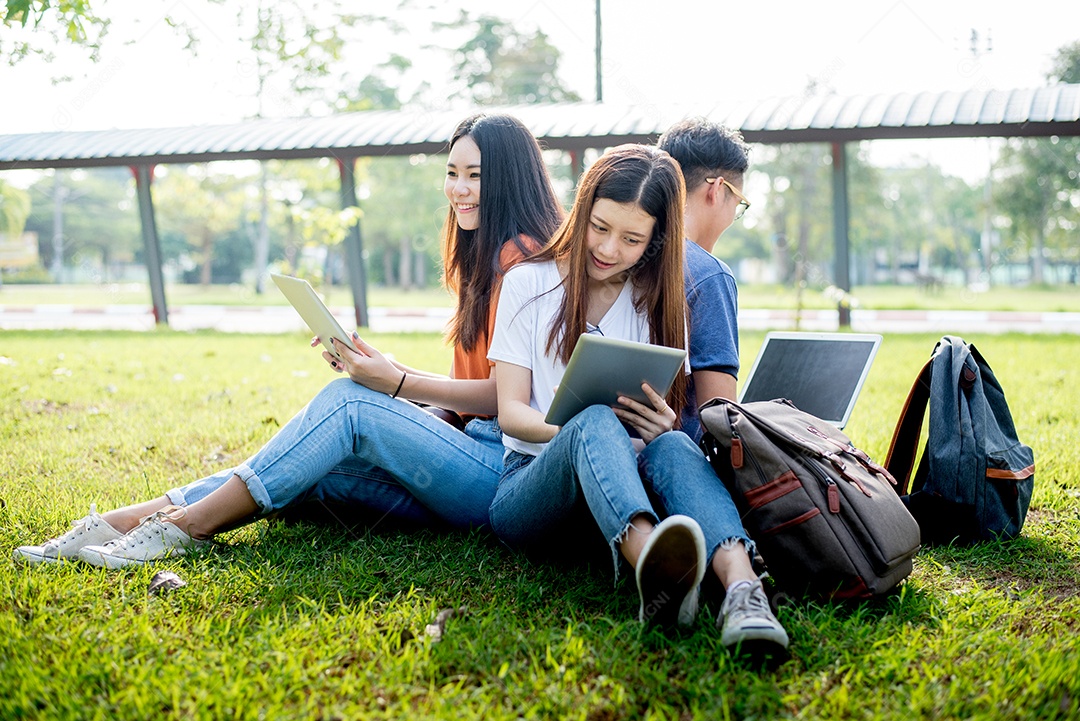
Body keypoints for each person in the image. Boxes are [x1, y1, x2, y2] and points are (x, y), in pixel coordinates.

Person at [13, 112, 564, 568]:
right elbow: (466, 399)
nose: (459, 189)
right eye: (451, 173)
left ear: (510, 177)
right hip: (468, 453)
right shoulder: (484, 255)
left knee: (347, 404)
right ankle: (122, 522)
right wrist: (400, 392)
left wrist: (394, 385)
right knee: (307, 457)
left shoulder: (522, 257)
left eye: (475, 175)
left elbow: (504, 399)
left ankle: (183, 528)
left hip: (505, 473)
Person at [485, 144, 788, 650]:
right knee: (595, 420)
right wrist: (581, 432)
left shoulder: (655, 300)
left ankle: (743, 590)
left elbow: (660, 429)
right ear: (583, 210)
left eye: (630, 239)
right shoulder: (528, 283)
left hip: (621, 484)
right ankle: (657, 570)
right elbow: (512, 415)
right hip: (531, 490)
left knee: (673, 445)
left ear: (654, 242)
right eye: (599, 227)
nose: (607, 249)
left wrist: (658, 426)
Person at [657, 118, 750, 443]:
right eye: (739, 204)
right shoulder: (708, 274)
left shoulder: (621, 251)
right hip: (676, 458)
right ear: (717, 189)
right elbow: (720, 418)